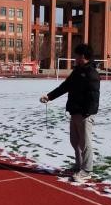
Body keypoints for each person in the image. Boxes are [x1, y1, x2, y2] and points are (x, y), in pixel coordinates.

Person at [40, 43, 100, 182]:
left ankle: (87, 170)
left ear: (82, 56)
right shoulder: (77, 71)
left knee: (85, 143)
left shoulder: (91, 73)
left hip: (84, 114)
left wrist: (88, 112)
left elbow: (94, 96)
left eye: (76, 55)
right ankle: (78, 166)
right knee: (75, 141)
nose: (74, 58)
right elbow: (65, 86)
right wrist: (49, 96)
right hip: (75, 111)